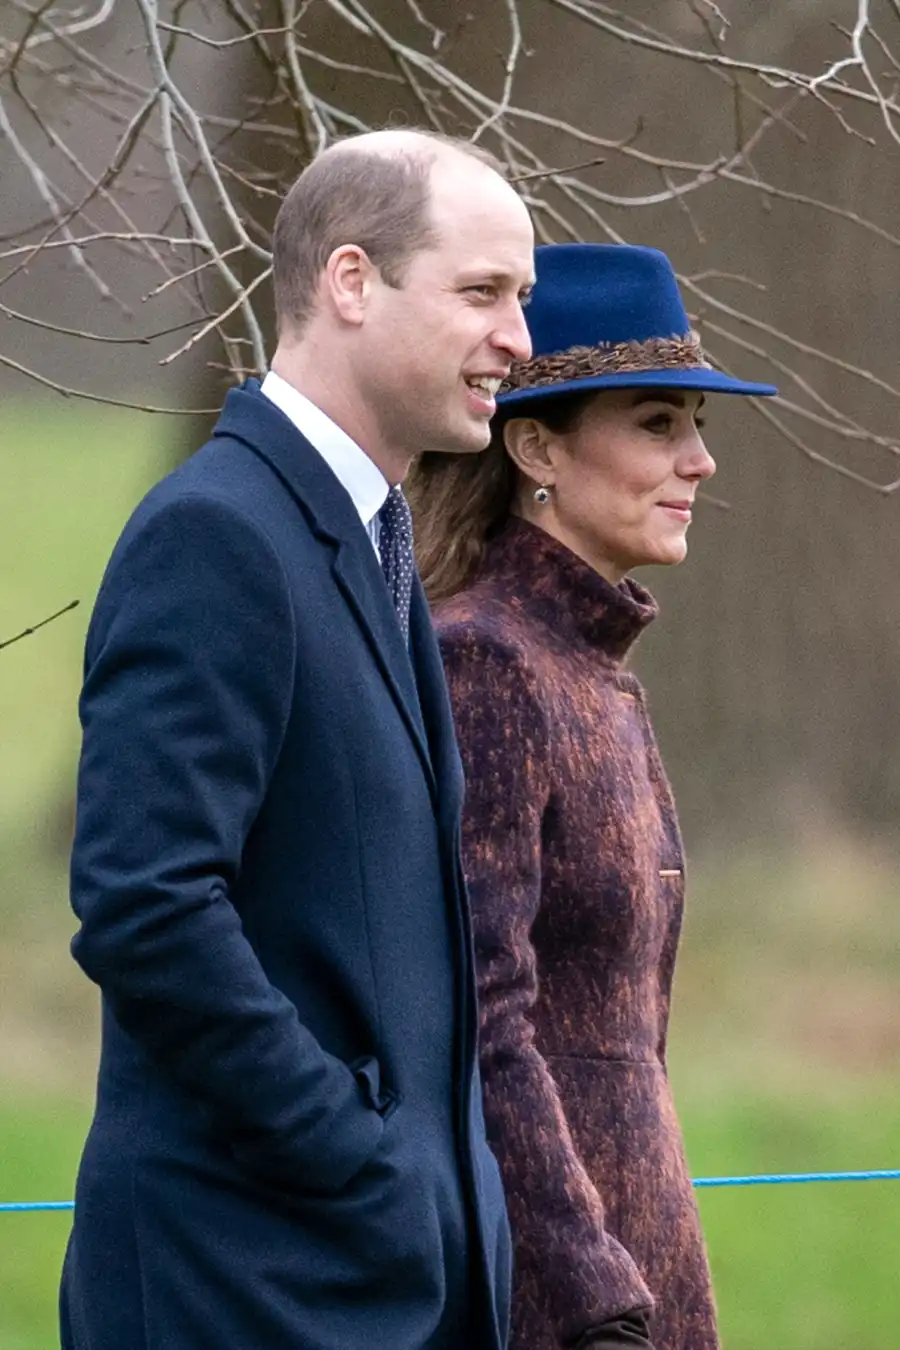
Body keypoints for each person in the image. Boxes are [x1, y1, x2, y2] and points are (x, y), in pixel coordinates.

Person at [60, 128, 536, 1350]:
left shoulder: (369, 539)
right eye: (482, 293)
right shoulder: (216, 536)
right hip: (252, 1283)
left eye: (520, 299)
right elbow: (146, 905)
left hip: (367, 1282)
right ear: (351, 282)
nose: (519, 341)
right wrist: (351, 1157)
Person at [408, 242, 777, 1350]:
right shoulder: (489, 664)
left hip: (634, 1260)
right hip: (564, 1297)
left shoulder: (585, 664)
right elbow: (483, 1021)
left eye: (697, 426)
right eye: (659, 423)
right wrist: (590, 1290)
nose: (700, 461)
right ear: (536, 448)